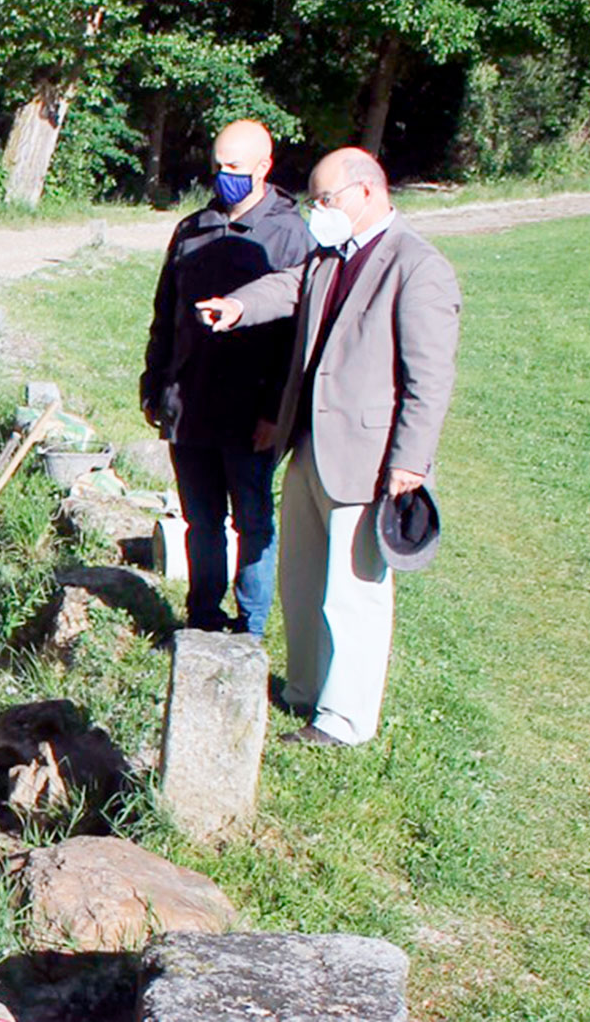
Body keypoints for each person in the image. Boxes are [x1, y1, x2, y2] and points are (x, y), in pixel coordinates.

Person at [197, 147, 460, 747]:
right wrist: (239, 306)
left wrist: (409, 463)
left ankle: (343, 721)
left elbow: (430, 377)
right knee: (304, 580)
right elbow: (289, 287)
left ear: (367, 192)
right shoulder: (331, 257)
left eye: (326, 200)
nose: (319, 211)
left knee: (353, 592)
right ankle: (305, 692)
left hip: (368, 462)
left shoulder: (417, 266)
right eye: (314, 200)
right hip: (309, 445)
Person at [141, 119, 311, 637]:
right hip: (189, 404)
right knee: (202, 520)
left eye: (235, 168)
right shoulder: (192, 230)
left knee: (253, 522)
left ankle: (251, 625)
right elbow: (165, 311)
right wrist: (155, 383)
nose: (224, 176)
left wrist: (274, 414)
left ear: (264, 167)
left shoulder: (291, 236)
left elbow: (296, 336)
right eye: (218, 166)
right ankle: (203, 617)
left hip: (250, 410)